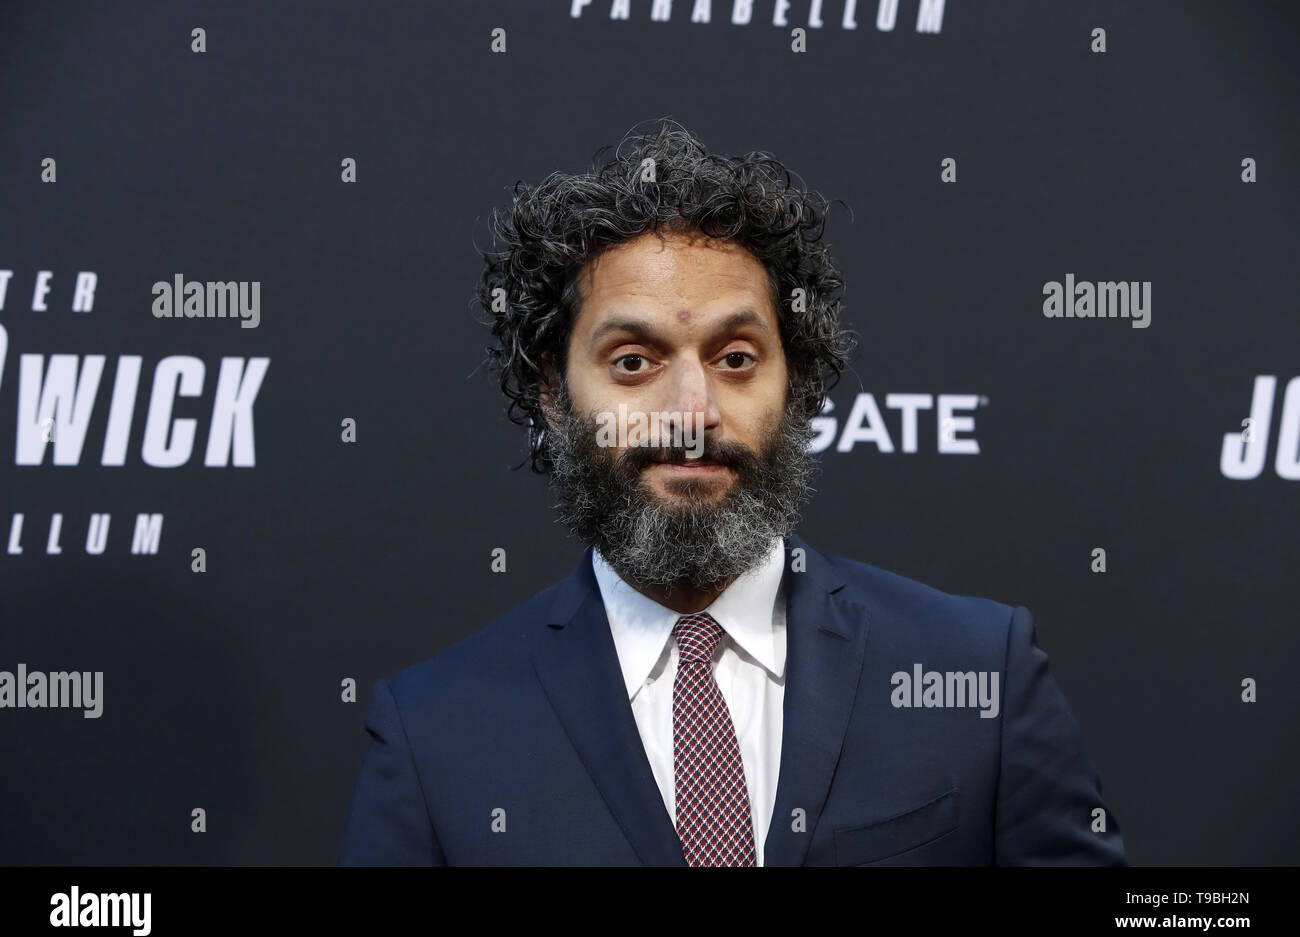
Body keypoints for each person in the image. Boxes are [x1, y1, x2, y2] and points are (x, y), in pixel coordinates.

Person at [337, 120, 1126, 866]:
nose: (692, 413)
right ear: (553, 392)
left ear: (798, 379)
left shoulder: (979, 671)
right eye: (634, 362)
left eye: (737, 357)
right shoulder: (435, 732)